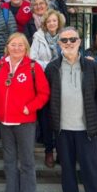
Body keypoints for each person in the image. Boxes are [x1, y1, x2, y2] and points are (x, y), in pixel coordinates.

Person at [45, 27, 97, 192]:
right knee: (66, 166)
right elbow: (49, 100)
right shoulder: (52, 68)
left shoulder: (92, 67)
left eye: (72, 39)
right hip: (62, 128)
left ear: (80, 41)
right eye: (64, 40)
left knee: (91, 168)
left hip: (86, 128)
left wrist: (95, 122)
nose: (68, 43)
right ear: (59, 44)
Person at [0, 33, 50, 192]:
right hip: (5, 121)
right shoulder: (0, 65)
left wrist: (29, 108)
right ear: (7, 46)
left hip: (25, 122)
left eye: (20, 45)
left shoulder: (33, 67)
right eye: (13, 45)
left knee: (27, 162)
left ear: (26, 48)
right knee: (9, 161)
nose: (16, 48)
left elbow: (43, 93)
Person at [30, 10, 64, 168]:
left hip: (62, 80)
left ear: (59, 22)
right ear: (45, 23)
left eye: (54, 21)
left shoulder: (65, 36)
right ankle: (49, 150)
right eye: (49, 21)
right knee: (45, 117)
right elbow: (33, 58)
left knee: (61, 116)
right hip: (44, 79)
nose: (52, 24)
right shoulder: (38, 36)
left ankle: (61, 151)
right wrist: (50, 66)